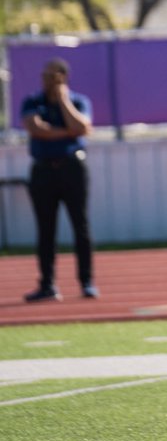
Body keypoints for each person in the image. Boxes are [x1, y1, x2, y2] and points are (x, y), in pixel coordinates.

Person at [21, 58, 98, 301]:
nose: (46, 80)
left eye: (52, 76)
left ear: (63, 77)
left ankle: (86, 282)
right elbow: (37, 129)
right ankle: (47, 284)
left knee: (80, 226)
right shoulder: (33, 101)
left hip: (72, 168)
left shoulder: (78, 101)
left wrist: (63, 100)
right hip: (43, 170)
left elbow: (81, 126)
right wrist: (68, 132)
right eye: (45, 76)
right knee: (46, 229)